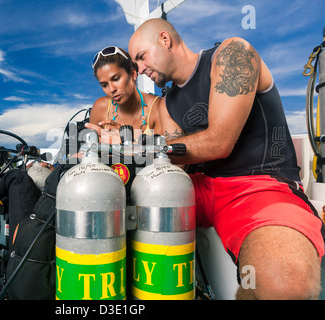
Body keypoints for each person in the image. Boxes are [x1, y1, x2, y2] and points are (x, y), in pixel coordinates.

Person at [128, 18, 325, 300]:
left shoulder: (233, 53)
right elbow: (173, 162)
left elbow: (219, 142)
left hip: (259, 185)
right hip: (204, 186)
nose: (140, 69)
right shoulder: (168, 104)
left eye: (141, 57)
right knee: (114, 198)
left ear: (165, 40)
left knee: (285, 288)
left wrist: (144, 148)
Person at [85, 46, 165, 143]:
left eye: (116, 79)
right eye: (104, 85)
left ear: (133, 74)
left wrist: (125, 141)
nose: (112, 89)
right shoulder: (100, 107)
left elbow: (161, 155)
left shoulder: (157, 107)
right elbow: (91, 152)